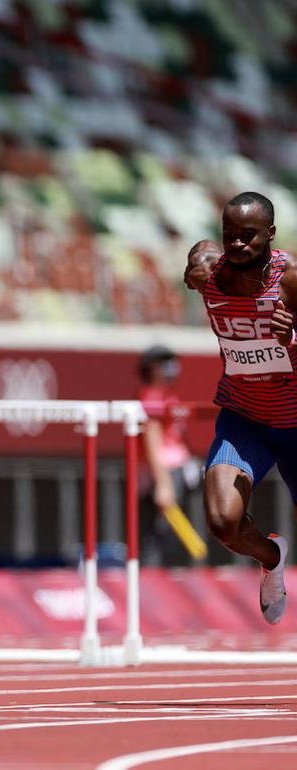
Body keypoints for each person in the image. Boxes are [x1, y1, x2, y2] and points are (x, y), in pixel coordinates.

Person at [185, 192, 297, 625]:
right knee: (221, 522)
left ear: (270, 234)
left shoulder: (289, 281)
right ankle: (272, 558)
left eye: (248, 237)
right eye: (229, 236)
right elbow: (196, 261)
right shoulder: (207, 275)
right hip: (245, 417)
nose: (237, 246)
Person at [136, 344, 200, 565]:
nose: (172, 367)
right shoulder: (152, 395)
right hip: (163, 472)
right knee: (159, 534)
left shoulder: (167, 394)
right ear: (152, 368)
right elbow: (151, 439)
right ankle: (154, 584)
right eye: (165, 362)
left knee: (170, 536)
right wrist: (163, 483)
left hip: (175, 469)